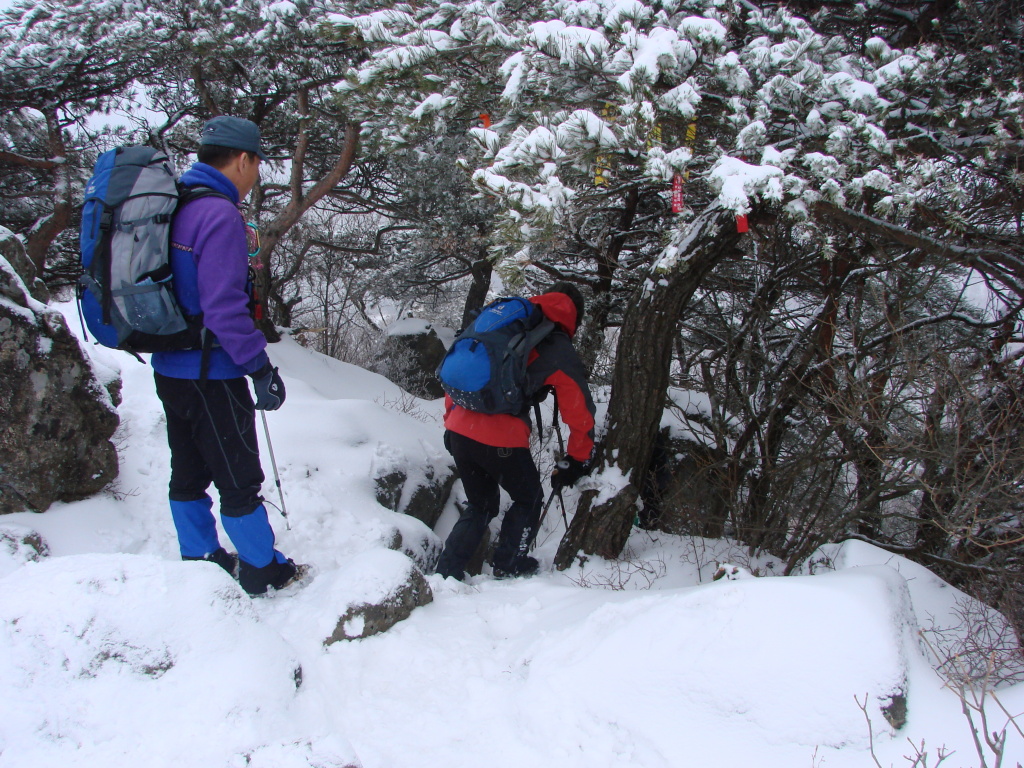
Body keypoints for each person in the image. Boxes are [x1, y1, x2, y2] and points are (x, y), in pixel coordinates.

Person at [151, 116, 308, 597]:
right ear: (243, 159)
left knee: (189, 468)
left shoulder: (177, 204)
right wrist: (258, 367)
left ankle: (200, 555)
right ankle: (263, 568)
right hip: (212, 372)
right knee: (239, 476)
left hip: (169, 366)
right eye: (257, 163)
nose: (257, 173)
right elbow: (224, 307)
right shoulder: (218, 215)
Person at [435, 282, 596, 580]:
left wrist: (450, 422)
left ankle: (446, 573)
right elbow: (579, 411)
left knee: (480, 506)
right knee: (528, 498)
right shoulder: (556, 343)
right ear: (575, 316)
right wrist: (577, 458)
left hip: (459, 429)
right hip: (500, 438)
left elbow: (465, 370)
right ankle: (508, 564)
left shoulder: (502, 322)